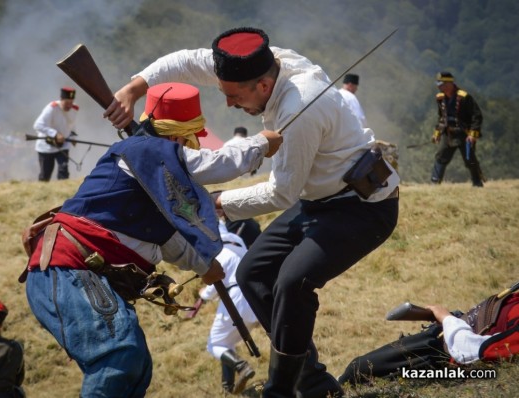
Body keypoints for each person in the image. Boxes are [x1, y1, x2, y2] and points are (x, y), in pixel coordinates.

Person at [104, 26, 399, 397]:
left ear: (262, 86)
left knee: (294, 282)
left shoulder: (299, 107)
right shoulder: (254, 65)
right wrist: (135, 89)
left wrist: (217, 203)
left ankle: (280, 390)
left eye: (233, 96)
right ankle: (316, 386)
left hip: (362, 207)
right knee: (252, 274)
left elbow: (282, 192)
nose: (228, 104)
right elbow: (184, 62)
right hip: (318, 202)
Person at [22, 82, 282, 397]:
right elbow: (214, 165)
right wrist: (259, 143)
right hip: (69, 267)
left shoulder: (152, 168)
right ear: (177, 136)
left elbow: (168, 237)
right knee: (119, 355)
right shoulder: (146, 150)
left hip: (77, 271)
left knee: (136, 365)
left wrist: (204, 266)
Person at [339, 284, 519, 385]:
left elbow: (473, 351)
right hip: (450, 332)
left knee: (359, 370)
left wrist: (447, 318)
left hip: (440, 354)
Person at [199, 213, 260, 395]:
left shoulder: (221, 254)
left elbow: (212, 288)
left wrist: (202, 295)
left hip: (235, 300)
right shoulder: (243, 252)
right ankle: (229, 388)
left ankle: (241, 366)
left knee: (214, 344)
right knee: (226, 344)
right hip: (255, 300)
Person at [430, 71, 485, 187]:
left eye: (442, 84)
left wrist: (473, 134)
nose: (439, 86)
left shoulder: (464, 97)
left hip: (464, 134)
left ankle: (477, 183)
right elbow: (441, 117)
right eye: (439, 84)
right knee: (441, 156)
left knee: (469, 159)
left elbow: (477, 115)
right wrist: (437, 133)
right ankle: (435, 183)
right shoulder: (440, 98)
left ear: (450, 84)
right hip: (448, 133)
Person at [33, 87, 79, 181]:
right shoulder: (51, 108)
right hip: (46, 146)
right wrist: (55, 134)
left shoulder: (74, 109)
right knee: (45, 175)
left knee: (64, 172)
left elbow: (71, 125)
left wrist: (73, 136)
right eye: (67, 103)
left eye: (71, 102)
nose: (69, 106)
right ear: (61, 99)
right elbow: (38, 125)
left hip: (63, 145)